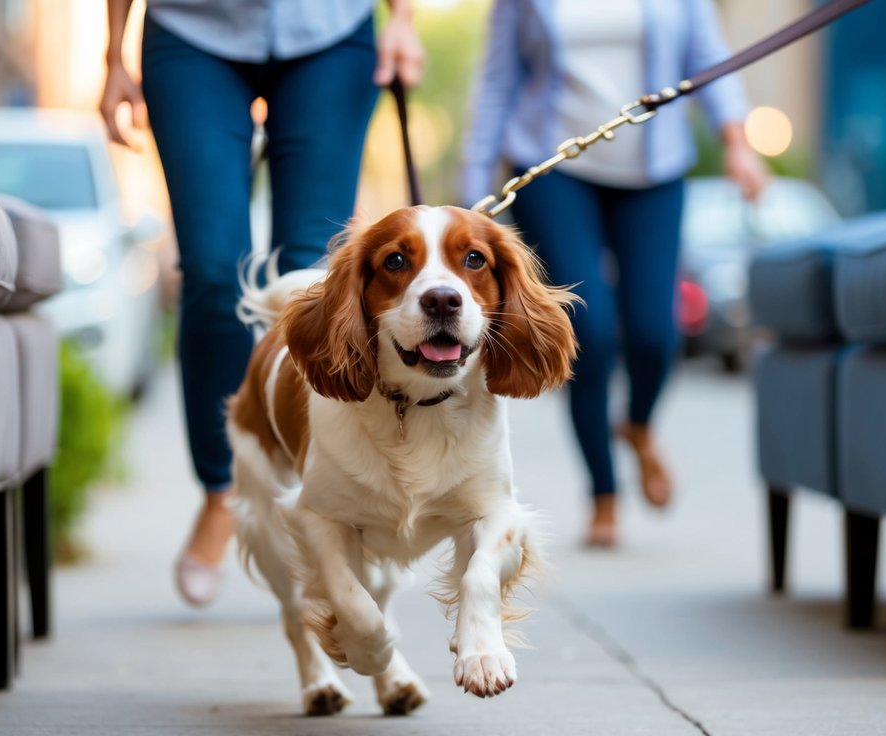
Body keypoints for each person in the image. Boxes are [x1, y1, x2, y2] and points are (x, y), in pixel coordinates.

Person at [100, 0, 424, 606]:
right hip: (191, 28)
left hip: (330, 31)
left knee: (309, 276)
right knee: (215, 272)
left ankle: (324, 502)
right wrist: (114, 51)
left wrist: (402, 17)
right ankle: (224, 491)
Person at [462, 0, 769, 548]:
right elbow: (499, 79)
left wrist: (737, 144)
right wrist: (472, 189)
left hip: (654, 170)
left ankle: (640, 424)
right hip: (553, 169)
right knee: (588, 333)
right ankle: (603, 492)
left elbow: (709, 57)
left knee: (656, 332)